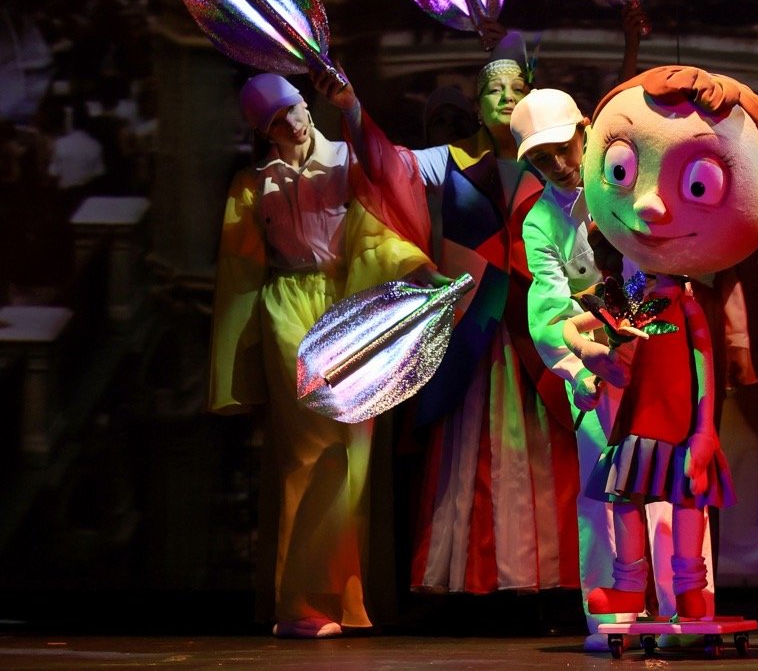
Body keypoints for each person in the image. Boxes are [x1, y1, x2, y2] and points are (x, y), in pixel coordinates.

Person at [315, 33, 581, 595]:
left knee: (550, 444)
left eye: (517, 88)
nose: (506, 98)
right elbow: (386, 164)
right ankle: (477, 573)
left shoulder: (555, 161)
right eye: (493, 90)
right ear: (478, 105)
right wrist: (353, 109)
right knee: (471, 451)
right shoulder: (452, 161)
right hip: (475, 330)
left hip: (541, 324)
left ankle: (557, 574)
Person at [564, 65, 758, 621]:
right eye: (622, 170)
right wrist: (587, 360)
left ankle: (692, 590)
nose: (650, 206)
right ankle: (629, 586)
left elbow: (703, 372)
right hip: (636, 425)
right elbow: (580, 324)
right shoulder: (631, 294)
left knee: (687, 502)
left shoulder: (689, 304)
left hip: (678, 430)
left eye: (698, 185)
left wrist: (704, 432)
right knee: (624, 499)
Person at [209, 73, 431, 638]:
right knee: (311, 449)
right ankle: (302, 603)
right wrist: (238, 358)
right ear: (265, 132)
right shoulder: (254, 185)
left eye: (294, 108)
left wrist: (417, 272)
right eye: (277, 120)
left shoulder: (346, 164)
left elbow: (378, 230)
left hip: (349, 303)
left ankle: (347, 598)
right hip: (289, 307)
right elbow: (239, 273)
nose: (293, 122)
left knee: (355, 454)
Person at [513, 87, 716, 649]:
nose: (558, 163)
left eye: (563, 147)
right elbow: (549, 310)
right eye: (541, 158)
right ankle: (614, 618)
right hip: (601, 369)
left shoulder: (628, 179)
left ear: (586, 129)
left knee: (675, 484)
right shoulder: (540, 222)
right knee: (607, 493)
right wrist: (580, 370)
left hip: (661, 356)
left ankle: (684, 611)